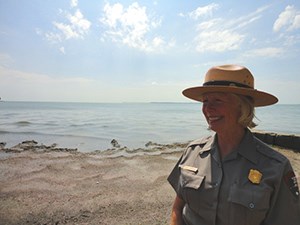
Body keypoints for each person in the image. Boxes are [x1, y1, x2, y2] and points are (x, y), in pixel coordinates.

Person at [168, 64, 300, 225]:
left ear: (243, 106)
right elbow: (177, 209)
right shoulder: (193, 152)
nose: (208, 108)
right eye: (205, 101)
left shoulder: (276, 167)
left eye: (218, 100)